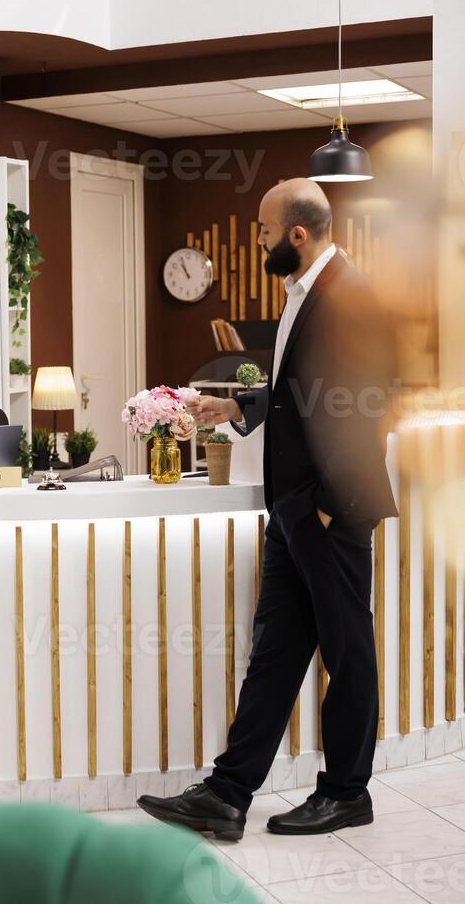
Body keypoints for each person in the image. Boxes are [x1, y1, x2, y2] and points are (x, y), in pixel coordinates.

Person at [137, 178, 398, 840]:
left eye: (261, 231)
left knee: (348, 650)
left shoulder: (350, 298)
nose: (256, 241)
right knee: (275, 653)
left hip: (326, 508)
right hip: (293, 509)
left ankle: (346, 791)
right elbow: (299, 392)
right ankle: (227, 795)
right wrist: (237, 407)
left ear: (297, 235)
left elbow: (366, 404)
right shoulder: (307, 292)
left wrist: (330, 508)